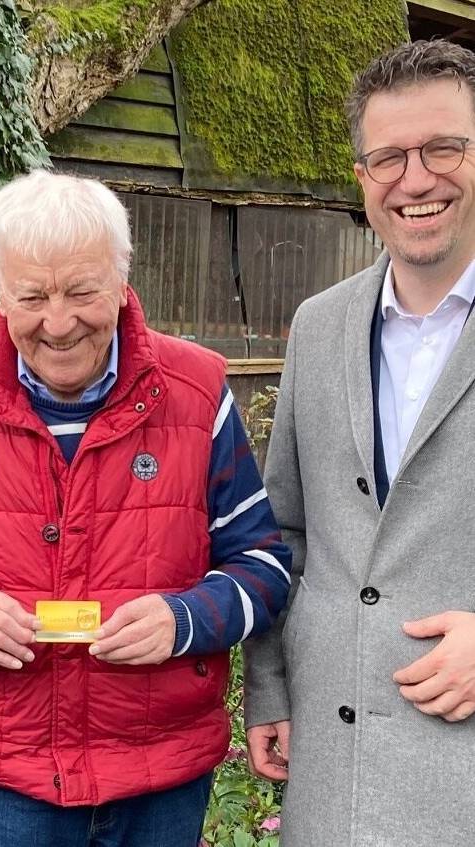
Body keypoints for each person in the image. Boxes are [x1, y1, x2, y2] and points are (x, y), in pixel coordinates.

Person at [0, 170, 291, 847]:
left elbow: (265, 566)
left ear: (120, 277)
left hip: (158, 773)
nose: (58, 322)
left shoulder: (196, 392)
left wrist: (185, 617)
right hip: (6, 782)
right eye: (32, 296)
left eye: (82, 291)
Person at [243, 39, 475, 847]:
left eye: (443, 147)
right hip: (332, 782)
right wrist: (268, 688)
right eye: (389, 158)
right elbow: (285, 531)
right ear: (363, 180)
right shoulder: (318, 325)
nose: (416, 179)